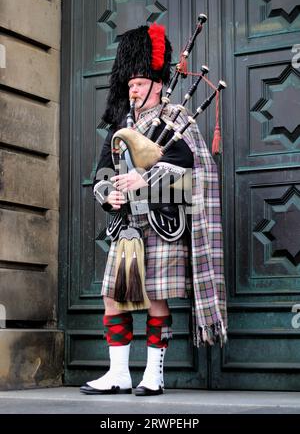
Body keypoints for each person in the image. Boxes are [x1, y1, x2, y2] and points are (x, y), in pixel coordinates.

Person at [80, 24, 227, 397]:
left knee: (154, 297)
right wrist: (107, 193)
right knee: (112, 296)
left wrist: (144, 181)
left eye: (141, 82)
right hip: (126, 227)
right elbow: (101, 173)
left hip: (161, 223)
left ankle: (153, 375)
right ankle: (118, 374)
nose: (134, 88)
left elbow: (192, 169)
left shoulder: (176, 119)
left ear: (159, 83)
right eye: (130, 83)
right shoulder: (121, 124)